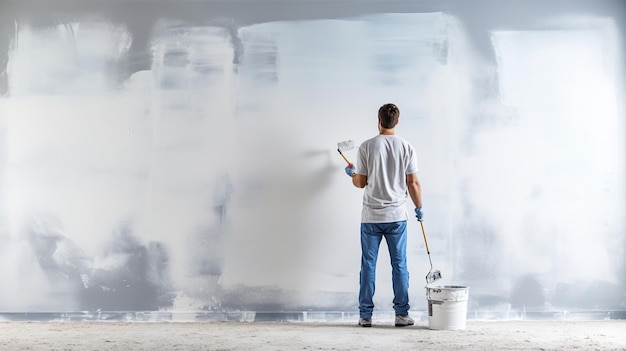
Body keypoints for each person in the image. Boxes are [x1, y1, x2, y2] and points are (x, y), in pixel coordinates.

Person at [344, 103, 423, 327]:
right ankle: (401, 315)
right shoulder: (406, 147)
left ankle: (365, 316)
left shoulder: (366, 147)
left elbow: (360, 183)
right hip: (397, 217)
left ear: (378, 120)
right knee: (400, 265)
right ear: (396, 122)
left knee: (368, 265)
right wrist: (419, 207)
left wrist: (352, 173)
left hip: (371, 218)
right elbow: (413, 183)